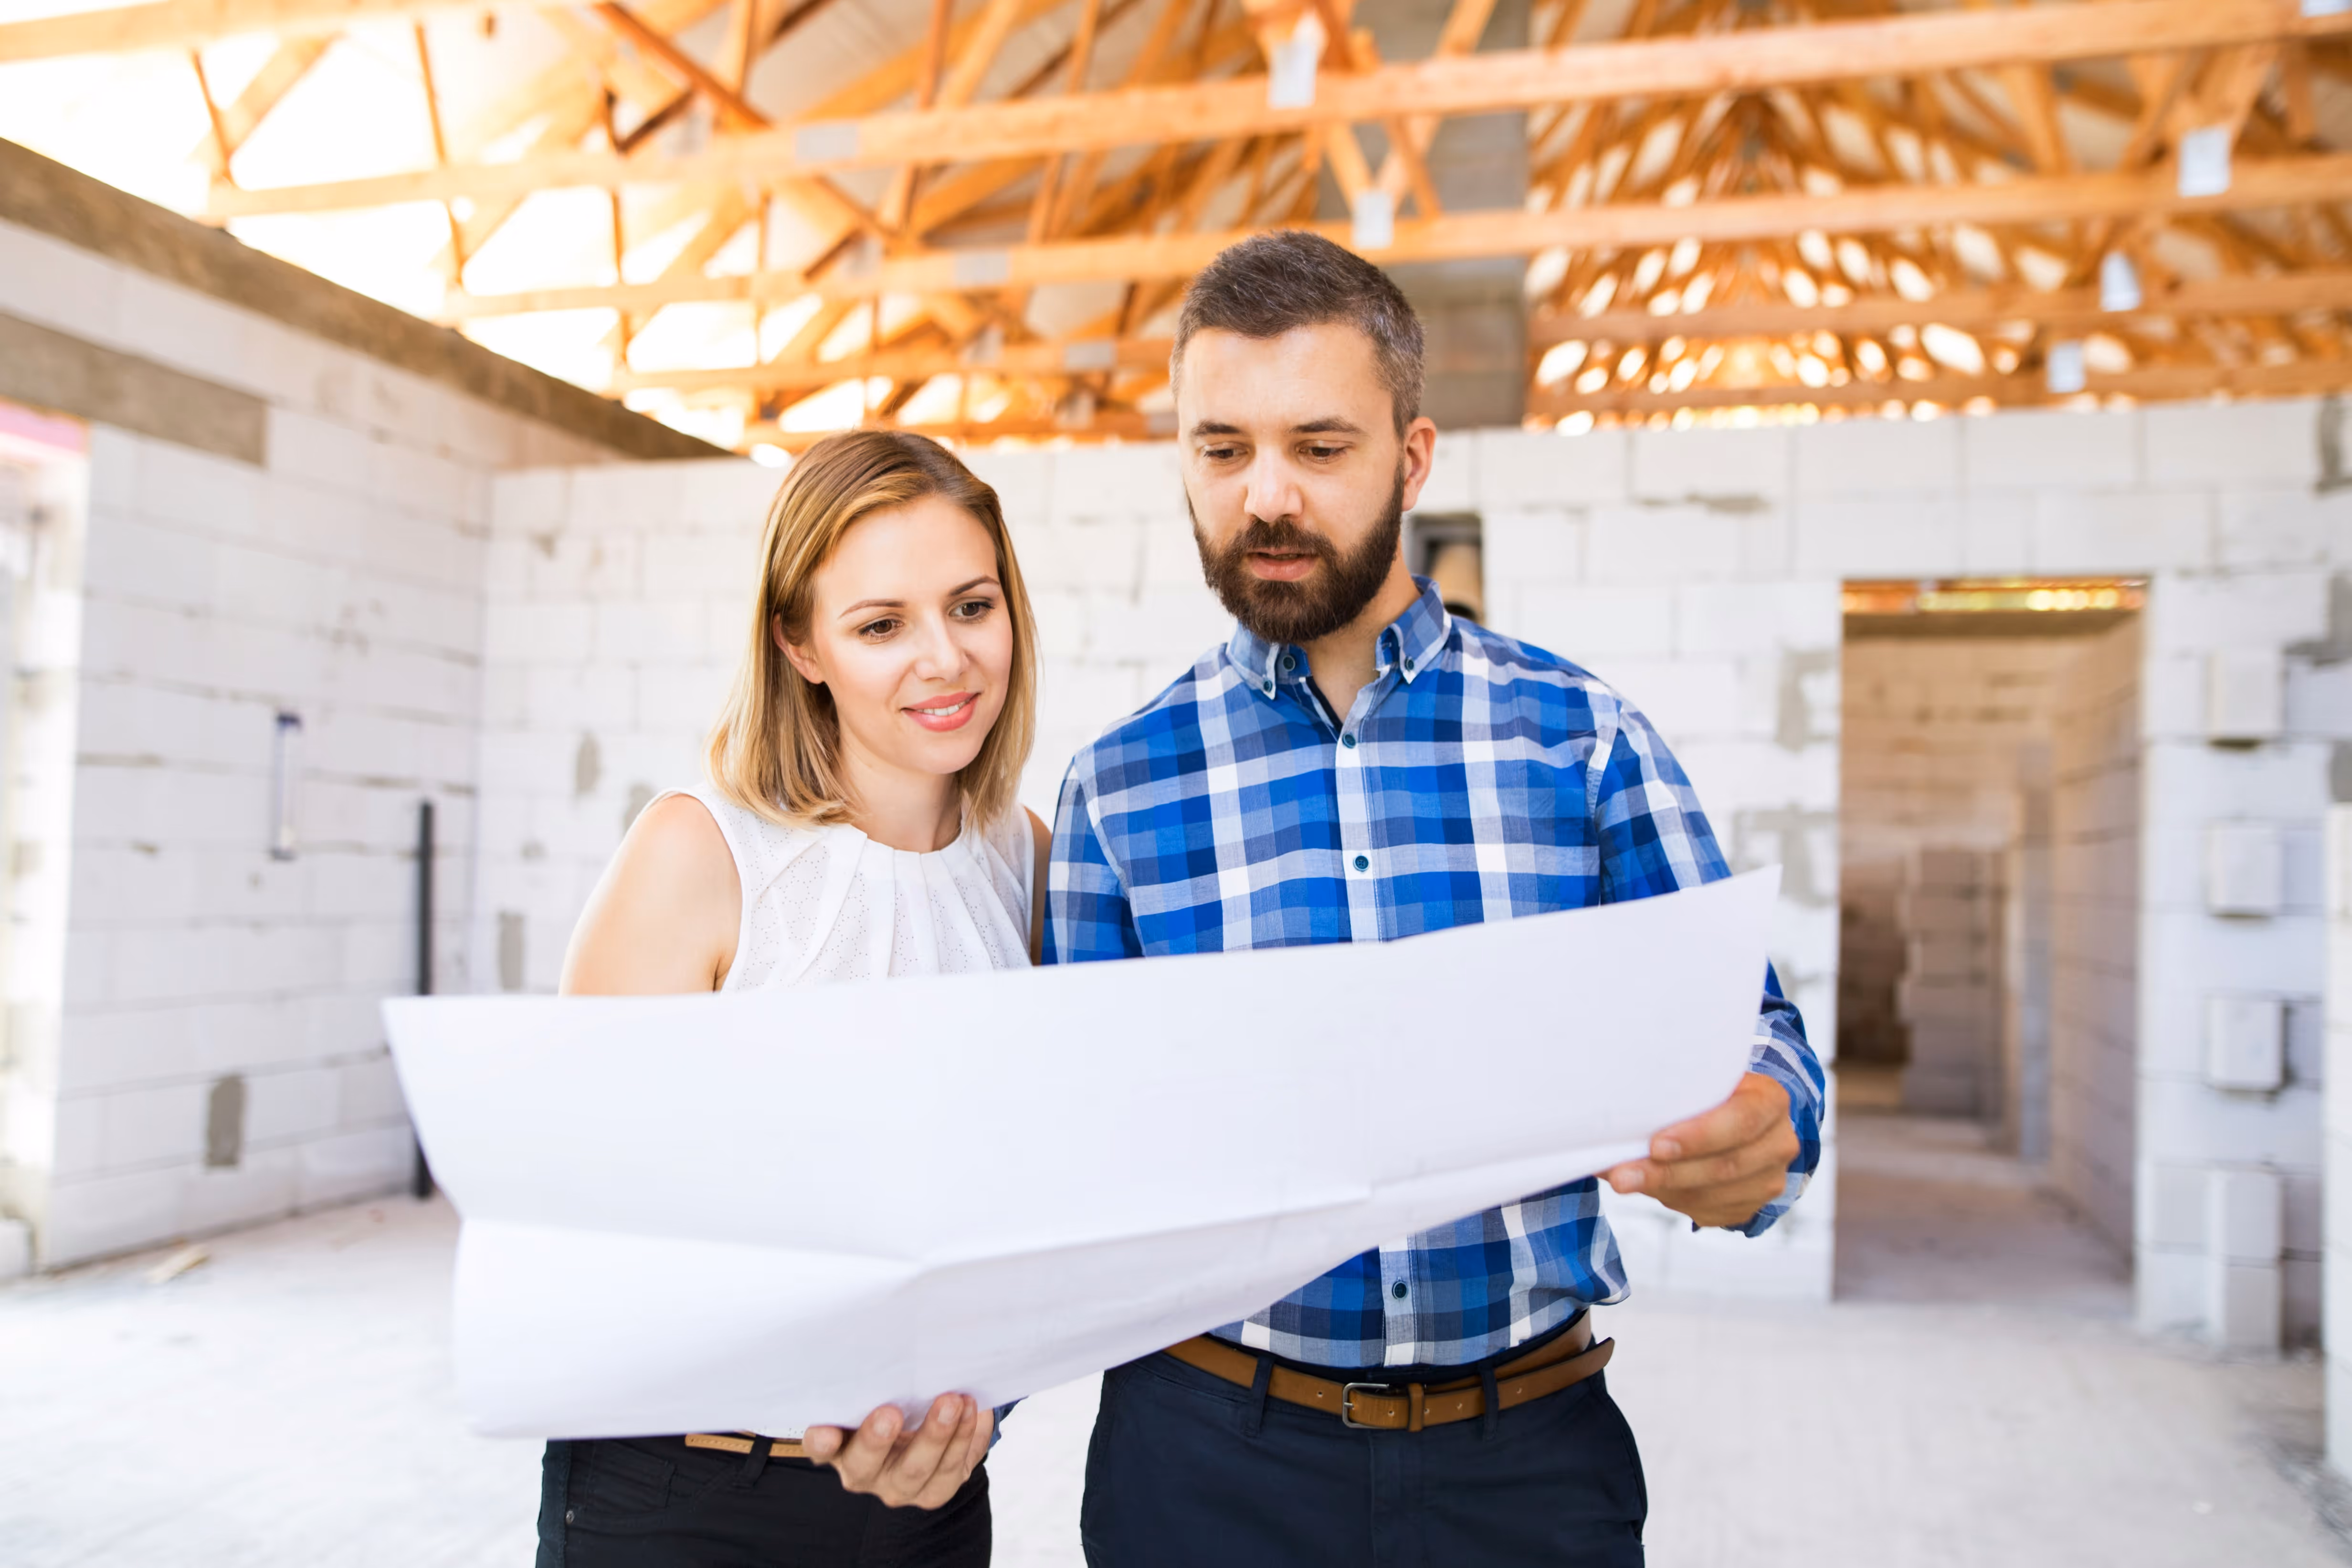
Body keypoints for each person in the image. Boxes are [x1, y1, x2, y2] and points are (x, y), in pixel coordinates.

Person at [1047, 232, 1826, 1567]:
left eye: (1320, 445)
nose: (1266, 496)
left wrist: (1757, 1122)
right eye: (1220, 449)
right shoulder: (1116, 789)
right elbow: (1072, 1140)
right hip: (1202, 1461)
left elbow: (1752, 1033)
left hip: (1520, 1464)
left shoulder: (1580, 738)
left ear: (1411, 458)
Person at [542, 430, 1047, 1567]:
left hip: (934, 1492)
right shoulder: (699, 851)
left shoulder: (1026, 861)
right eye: (880, 625)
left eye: (972, 606)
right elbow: (571, 1210)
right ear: (799, 642)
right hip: (690, 1489)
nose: (945, 660)